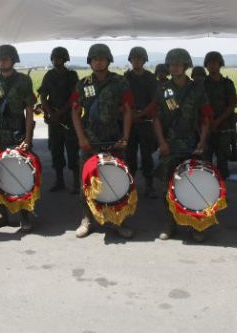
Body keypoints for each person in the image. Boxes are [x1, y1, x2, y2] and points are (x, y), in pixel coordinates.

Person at [71, 43, 134, 239]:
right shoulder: (82, 84)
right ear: (90, 61)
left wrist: (125, 136)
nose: (98, 62)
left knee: (116, 180)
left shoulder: (120, 82)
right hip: (90, 141)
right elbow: (74, 111)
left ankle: (118, 221)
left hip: (114, 140)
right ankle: (87, 219)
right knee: (87, 182)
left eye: (102, 58)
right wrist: (81, 138)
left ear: (108, 60)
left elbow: (128, 110)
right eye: (94, 59)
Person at [152, 49, 212, 241]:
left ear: (186, 66)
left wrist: (202, 142)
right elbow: (156, 118)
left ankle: (196, 224)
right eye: (171, 64)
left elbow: (206, 117)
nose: (175, 67)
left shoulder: (197, 89)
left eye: (179, 64)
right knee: (167, 185)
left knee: (195, 185)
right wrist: (161, 142)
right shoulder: (162, 89)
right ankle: (170, 223)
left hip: (192, 144)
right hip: (169, 145)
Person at [0, 44, 37, 233]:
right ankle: (1, 214)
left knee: (21, 175)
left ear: (13, 60)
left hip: (18, 135)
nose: (2, 62)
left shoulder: (23, 81)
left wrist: (28, 139)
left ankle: (24, 215)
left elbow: (29, 111)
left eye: (6, 58)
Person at [38, 47, 80, 193]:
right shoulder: (49, 75)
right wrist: (50, 113)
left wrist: (60, 112)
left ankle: (76, 183)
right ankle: (59, 181)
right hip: (55, 120)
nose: (56, 60)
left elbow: (74, 97)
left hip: (69, 119)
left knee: (73, 150)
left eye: (59, 58)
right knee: (56, 150)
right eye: (54, 58)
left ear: (65, 59)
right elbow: (43, 97)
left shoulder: (72, 75)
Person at [123, 46, 158, 197]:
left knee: (147, 156)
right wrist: (131, 115)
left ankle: (149, 185)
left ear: (144, 60)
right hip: (130, 124)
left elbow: (155, 100)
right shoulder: (125, 78)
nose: (136, 61)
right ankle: (130, 187)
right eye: (134, 59)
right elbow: (122, 99)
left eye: (139, 59)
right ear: (130, 60)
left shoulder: (150, 78)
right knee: (129, 156)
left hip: (145, 122)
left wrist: (141, 114)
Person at [202, 51, 237, 179]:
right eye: (209, 63)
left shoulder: (227, 83)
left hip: (224, 127)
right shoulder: (202, 84)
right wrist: (209, 123)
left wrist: (218, 121)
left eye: (215, 63)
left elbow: (232, 105)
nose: (212, 65)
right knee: (205, 162)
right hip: (206, 127)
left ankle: (222, 192)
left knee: (223, 161)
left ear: (220, 64)